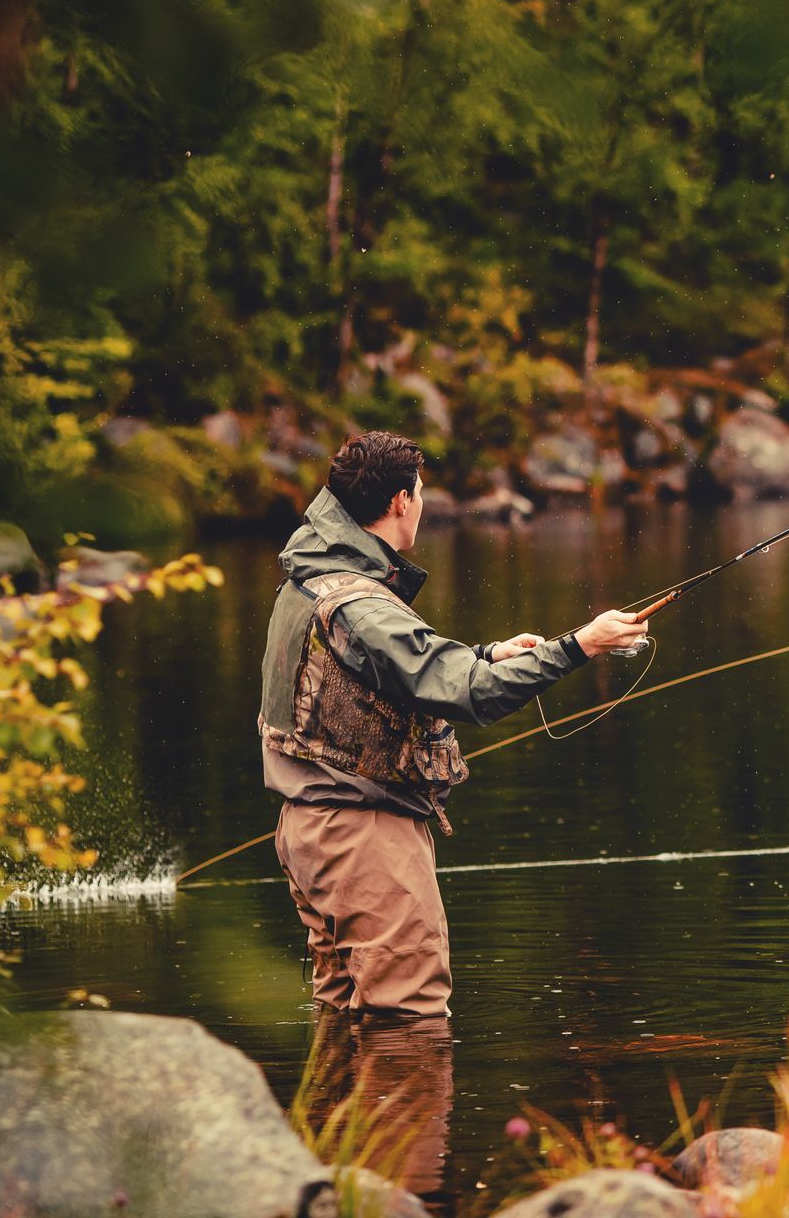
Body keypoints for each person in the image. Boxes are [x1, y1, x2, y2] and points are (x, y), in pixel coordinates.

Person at [258, 430, 646, 1016]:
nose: (420, 504)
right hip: (363, 839)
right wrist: (580, 645)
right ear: (399, 502)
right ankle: (408, 1112)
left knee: (343, 1012)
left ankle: (334, 1113)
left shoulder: (309, 578)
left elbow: (380, 673)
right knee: (407, 1014)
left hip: (309, 829)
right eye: (420, 493)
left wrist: (488, 655)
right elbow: (468, 693)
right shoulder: (361, 604)